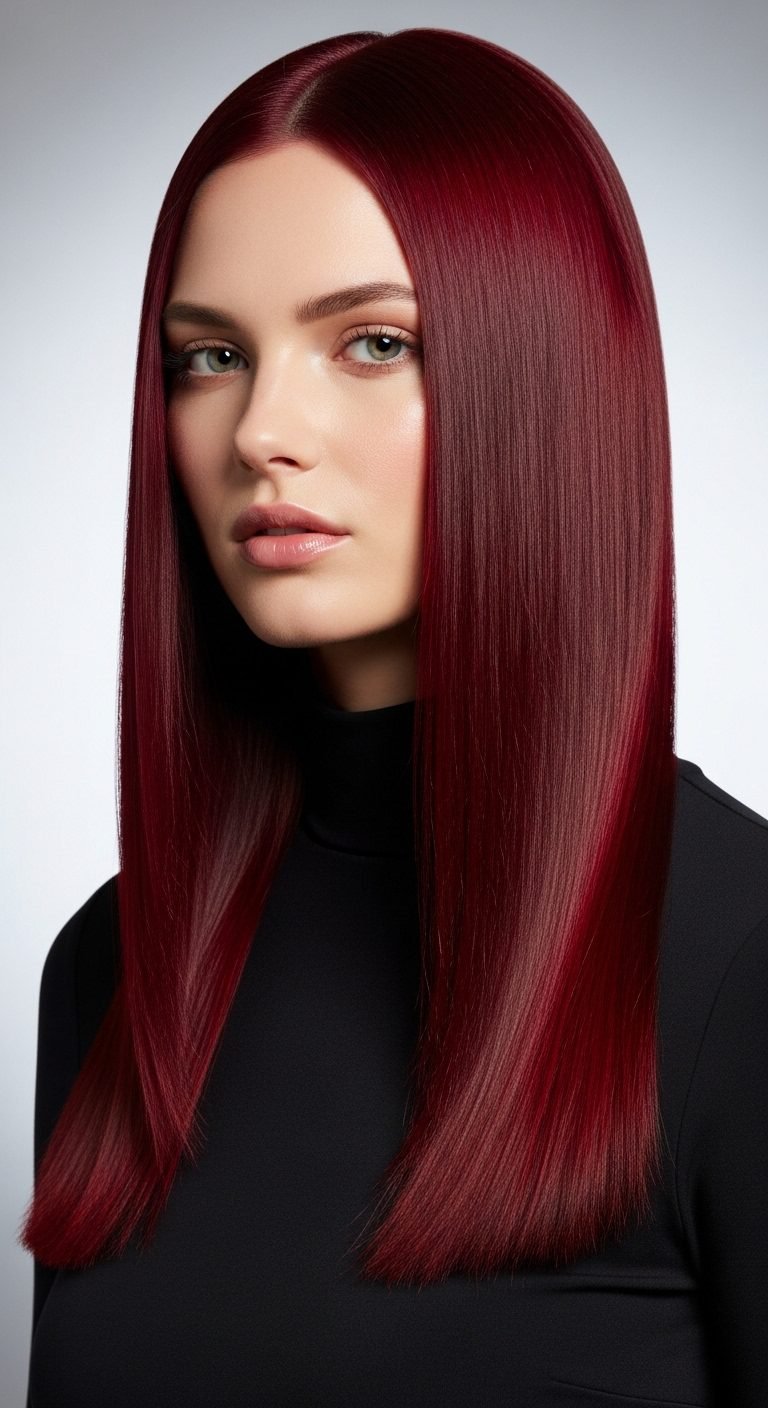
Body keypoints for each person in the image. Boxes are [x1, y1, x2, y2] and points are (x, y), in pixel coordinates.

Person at [21, 26, 768, 1408]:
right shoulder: (115, 972)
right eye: (206, 356)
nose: (257, 431)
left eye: (372, 342)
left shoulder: (740, 965)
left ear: (544, 379)